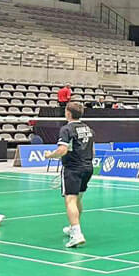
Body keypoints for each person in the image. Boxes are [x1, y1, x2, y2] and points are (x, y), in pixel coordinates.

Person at [44, 101, 94, 248]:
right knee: (78, 199)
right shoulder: (88, 129)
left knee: (70, 200)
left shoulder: (66, 129)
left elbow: (62, 150)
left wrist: (49, 155)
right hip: (88, 167)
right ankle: (73, 227)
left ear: (68, 113)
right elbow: (93, 150)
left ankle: (77, 234)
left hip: (73, 168)